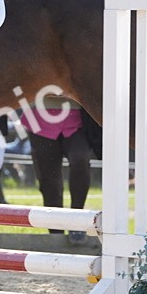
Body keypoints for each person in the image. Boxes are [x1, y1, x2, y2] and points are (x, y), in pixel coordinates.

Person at [21, 105, 96, 246]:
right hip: (40, 119)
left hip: (77, 119)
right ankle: (55, 231)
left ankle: (77, 221)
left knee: (80, 158)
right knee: (49, 180)